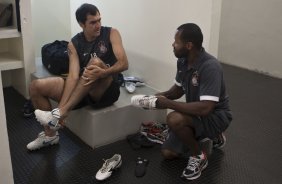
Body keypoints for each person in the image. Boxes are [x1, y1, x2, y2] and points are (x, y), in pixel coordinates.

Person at [131, 23, 232, 180]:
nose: (173, 44)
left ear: (189, 45)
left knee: (174, 119)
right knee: (168, 153)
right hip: (197, 114)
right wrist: (156, 98)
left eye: (176, 42)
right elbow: (177, 91)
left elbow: (206, 108)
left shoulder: (210, 67)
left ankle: (199, 155)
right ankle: (208, 135)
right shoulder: (183, 61)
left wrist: (167, 104)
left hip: (215, 116)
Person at [27, 3, 128, 151]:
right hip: (83, 86)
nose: (98, 25)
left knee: (95, 63)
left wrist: (104, 72)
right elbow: (73, 76)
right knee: (36, 86)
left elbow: (124, 64)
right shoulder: (74, 43)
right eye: (93, 22)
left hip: (105, 89)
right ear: (81, 24)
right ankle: (50, 135)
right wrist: (60, 108)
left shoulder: (112, 33)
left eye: (99, 20)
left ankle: (61, 113)